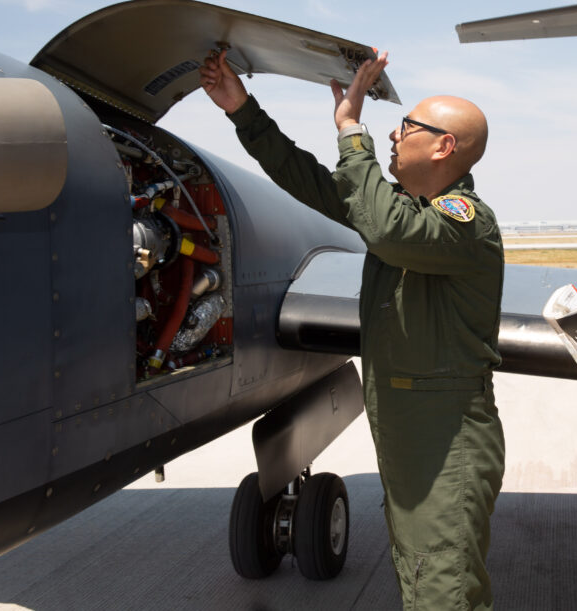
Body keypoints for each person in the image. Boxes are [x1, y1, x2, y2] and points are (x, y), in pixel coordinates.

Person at [200, 50, 506, 610]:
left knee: (443, 590)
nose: (394, 134)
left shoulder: (464, 222)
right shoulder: (408, 212)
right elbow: (311, 183)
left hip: (445, 446)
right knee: (421, 578)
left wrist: (350, 129)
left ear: (444, 147)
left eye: (409, 126)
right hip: (412, 440)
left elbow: (386, 230)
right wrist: (243, 110)